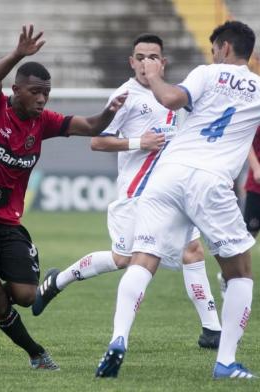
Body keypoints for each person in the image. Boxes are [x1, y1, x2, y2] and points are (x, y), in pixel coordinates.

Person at [0, 24, 127, 371]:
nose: (42, 99)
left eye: (46, 93)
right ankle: (36, 353)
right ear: (16, 90)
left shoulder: (43, 123)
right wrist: (17, 54)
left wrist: (110, 112)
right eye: (35, 92)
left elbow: (89, 126)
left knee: (26, 297)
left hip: (6, 222)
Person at [32, 34, 222, 349]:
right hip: (137, 195)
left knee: (193, 251)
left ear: (163, 63)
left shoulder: (175, 96)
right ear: (131, 62)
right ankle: (59, 280)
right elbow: (96, 141)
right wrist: (139, 142)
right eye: (140, 56)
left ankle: (212, 331)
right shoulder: (125, 95)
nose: (146, 62)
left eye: (153, 56)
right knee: (123, 260)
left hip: (174, 194)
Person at [95, 20, 260, 380]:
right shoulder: (259, 89)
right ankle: (226, 361)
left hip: (168, 174)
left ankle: (119, 337)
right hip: (210, 181)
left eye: (215, 48)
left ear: (226, 49)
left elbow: (170, 98)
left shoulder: (207, 73)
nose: (213, 54)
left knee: (143, 258)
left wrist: (152, 76)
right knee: (240, 272)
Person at [218, 125, 260, 298]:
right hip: (257, 187)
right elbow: (247, 139)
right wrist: (256, 167)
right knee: (247, 235)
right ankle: (229, 275)